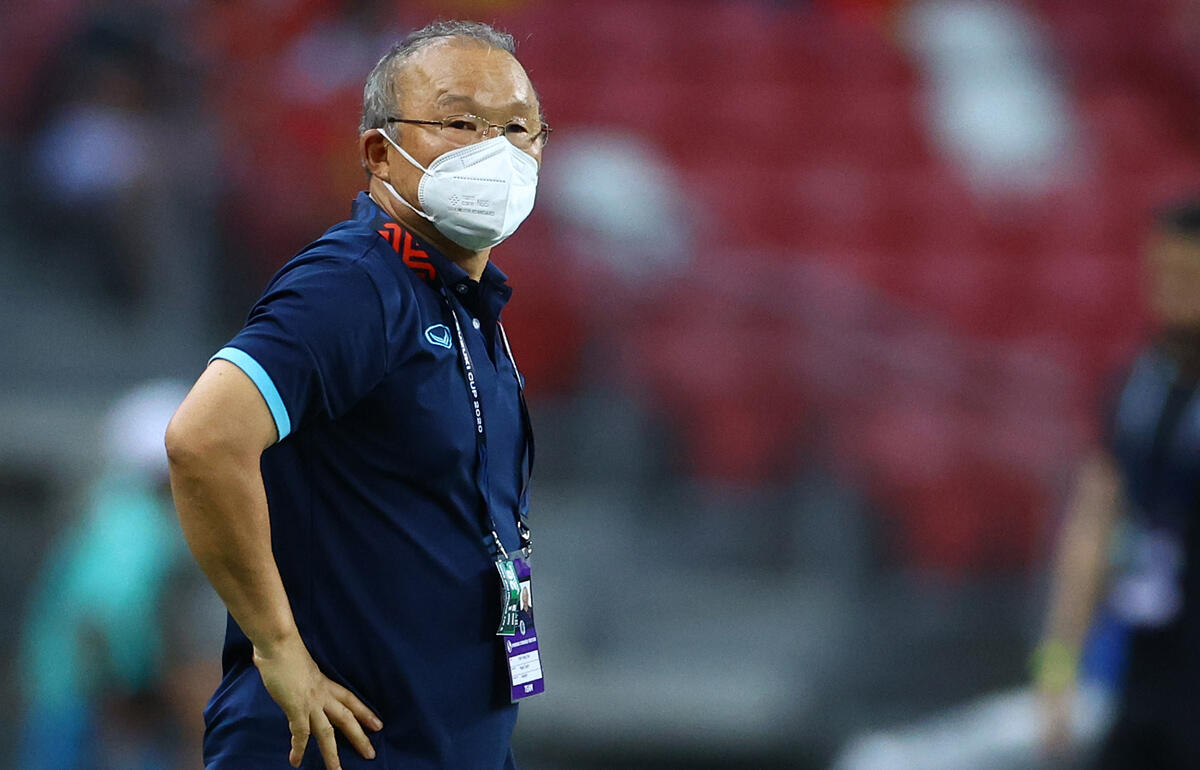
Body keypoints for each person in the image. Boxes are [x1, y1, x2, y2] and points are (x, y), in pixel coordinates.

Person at [166, 20, 547, 770]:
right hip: (332, 745)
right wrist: (277, 645)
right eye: (460, 123)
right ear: (378, 152)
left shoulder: (468, 307)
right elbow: (204, 439)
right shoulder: (355, 282)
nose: (495, 148)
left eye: (517, 128)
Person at [1035, 198, 1200, 768]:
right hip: (1145, 662)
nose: (1171, 291)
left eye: (1188, 276)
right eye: (1162, 273)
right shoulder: (1136, 386)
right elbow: (1091, 526)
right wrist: (1058, 664)